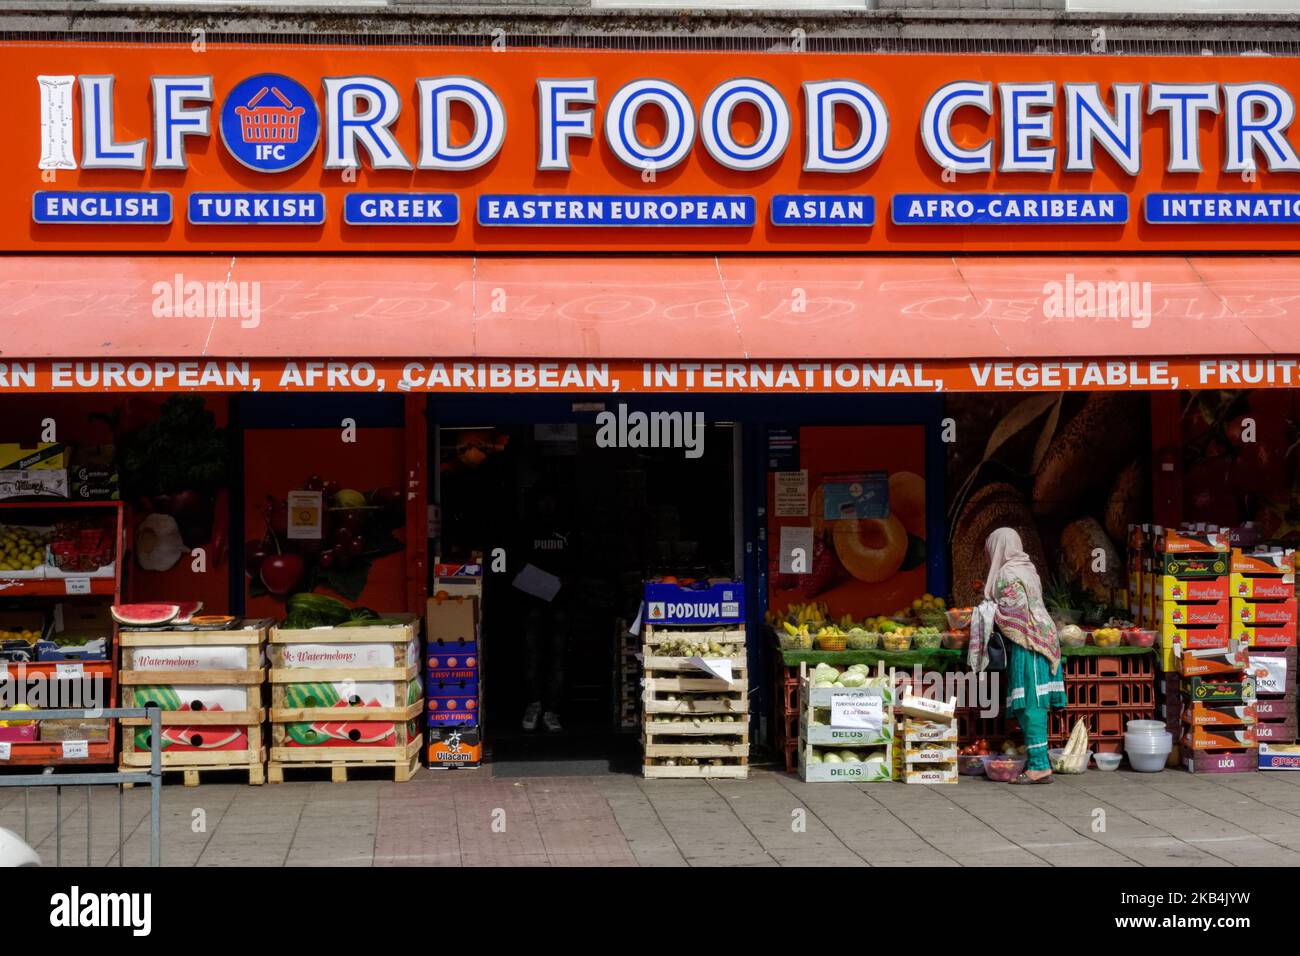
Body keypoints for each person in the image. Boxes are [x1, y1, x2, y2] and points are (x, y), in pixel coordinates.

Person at [971, 527, 1065, 784]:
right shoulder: (1027, 568)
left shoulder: (1008, 573)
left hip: (1029, 642)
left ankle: (1038, 766)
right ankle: (1039, 762)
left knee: (1031, 704)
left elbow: (1014, 613)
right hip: (1043, 638)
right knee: (1034, 703)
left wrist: (985, 614)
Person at [517, 482, 573, 734]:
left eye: (552, 500)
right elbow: (515, 566)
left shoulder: (568, 530)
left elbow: (579, 564)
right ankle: (534, 705)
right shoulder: (527, 530)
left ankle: (552, 711)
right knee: (532, 657)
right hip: (532, 603)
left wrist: (564, 583)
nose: (547, 505)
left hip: (560, 603)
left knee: (557, 659)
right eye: (543, 500)